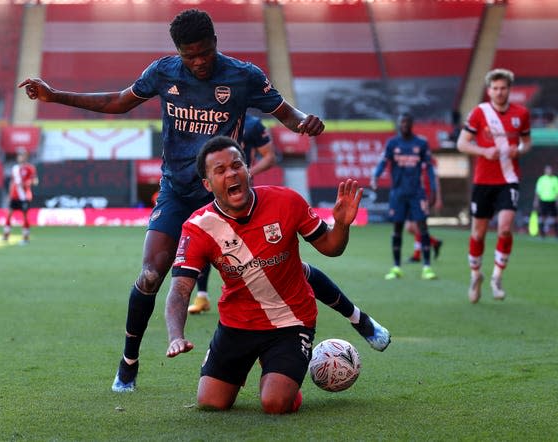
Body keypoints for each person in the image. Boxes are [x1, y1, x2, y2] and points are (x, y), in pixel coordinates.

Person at [19, 9, 327, 393]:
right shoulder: (164, 72)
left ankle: (344, 325)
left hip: (224, 198)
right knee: (151, 275)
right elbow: (118, 101)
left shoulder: (243, 75)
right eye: (188, 55)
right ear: (178, 52)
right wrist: (54, 96)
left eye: (203, 52)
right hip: (178, 192)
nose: (197, 62)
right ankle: (128, 361)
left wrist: (303, 123)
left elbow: (286, 113)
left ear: (215, 43)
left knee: (272, 266)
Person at [165, 136, 363, 414]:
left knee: (275, 403)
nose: (231, 173)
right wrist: (176, 335)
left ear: (248, 170)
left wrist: (341, 225)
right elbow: (180, 289)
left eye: (237, 165)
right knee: (211, 403)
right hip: (237, 323)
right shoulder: (197, 227)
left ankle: (285, 376)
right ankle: (260, 363)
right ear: (208, 184)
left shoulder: (286, 201)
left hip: (291, 320)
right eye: (220, 170)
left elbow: (331, 248)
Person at [456, 68, 532, 303]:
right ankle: (475, 275)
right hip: (483, 181)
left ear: (509, 90)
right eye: (495, 88)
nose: (499, 92)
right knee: (478, 233)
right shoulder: (480, 113)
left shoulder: (522, 113)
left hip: (509, 179)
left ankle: (497, 277)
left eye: (503, 88)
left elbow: (527, 143)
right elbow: (462, 143)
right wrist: (483, 150)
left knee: (505, 228)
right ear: (489, 91)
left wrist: (517, 150)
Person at [189, 114, 276, 313]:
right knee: (206, 239)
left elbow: (270, 156)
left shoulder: (253, 124)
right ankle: (202, 295)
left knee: (246, 241)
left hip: (240, 194)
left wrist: (245, 173)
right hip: (214, 191)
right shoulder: (209, 118)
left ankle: (260, 292)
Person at [371, 112, 438, 280]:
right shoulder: (392, 143)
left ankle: (427, 267)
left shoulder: (421, 143)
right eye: (402, 122)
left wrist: (434, 190)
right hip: (398, 193)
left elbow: (429, 168)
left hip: (417, 193)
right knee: (397, 229)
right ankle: (396, 267)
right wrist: (375, 176)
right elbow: (383, 162)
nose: (404, 125)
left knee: (422, 228)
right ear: (399, 124)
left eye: (407, 122)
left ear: (411, 124)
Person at [407, 157, 443, 263]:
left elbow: (435, 180)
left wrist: (438, 198)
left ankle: (417, 255)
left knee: (418, 226)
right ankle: (435, 242)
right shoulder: (410, 158)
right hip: (412, 196)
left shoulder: (430, 160)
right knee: (411, 227)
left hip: (424, 197)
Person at [2, 148, 38, 245]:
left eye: (22, 155)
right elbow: (12, 182)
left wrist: (27, 183)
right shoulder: (15, 168)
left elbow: (35, 181)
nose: (20, 157)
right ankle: (6, 235)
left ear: (26, 156)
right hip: (14, 195)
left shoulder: (30, 168)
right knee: (9, 214)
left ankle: (25, 238)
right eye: (19, 155)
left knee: (25, 217)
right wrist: (9, 195)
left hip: (24, 196)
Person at [532, 164, 558, 238]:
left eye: (550, 169)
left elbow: (557, 192)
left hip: (552, 201)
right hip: (543, 201)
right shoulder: (541, 179)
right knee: (542, 217)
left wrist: (557, 201)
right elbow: (537, 191)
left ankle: (556, 234)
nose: (549, 171)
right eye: (548, 169)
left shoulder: (555, 179)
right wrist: (536, 201)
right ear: (545, 171)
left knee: (555, 218)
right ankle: (542, 234)